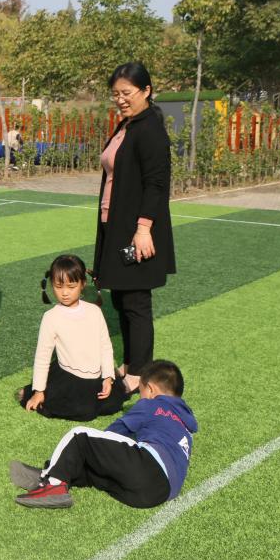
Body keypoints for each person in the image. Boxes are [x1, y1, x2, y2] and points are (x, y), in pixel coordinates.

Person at [10, 360, 197, 509]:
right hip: (157, 494)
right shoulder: (186, 425)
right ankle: (53, 475)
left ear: (150, 389)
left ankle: (53, 484)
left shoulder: (153, 404)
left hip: (147, 468)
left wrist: (95, 450)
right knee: (98, 473)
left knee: (80, 436)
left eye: (141, 392)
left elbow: (116, 430)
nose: (141, 397)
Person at [93, 63, 176, 395]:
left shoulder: (150, 129)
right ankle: (130, 364)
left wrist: (144, 229)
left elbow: (157, 184)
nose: (120, 99)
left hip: (135, 229)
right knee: (121, 298)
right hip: (115, 223)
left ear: (146, 91)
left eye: (127, 93)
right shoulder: (127, 125)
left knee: (136, 302)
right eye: (115, 94)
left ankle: (140, 373)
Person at [17, 255, 126, 421]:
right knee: (83, 411)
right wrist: (39, 391)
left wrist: (108, 377)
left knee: (111, 404)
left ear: (82, 284)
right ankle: (31, 390)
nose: (65, 293)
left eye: (71, 286)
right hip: (69, 377)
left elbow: (105, 346)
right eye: (58, 286)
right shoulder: (51, 317)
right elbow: (42, 356)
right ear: (51, 284)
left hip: (96, 376)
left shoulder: (94, 311)